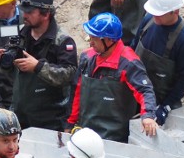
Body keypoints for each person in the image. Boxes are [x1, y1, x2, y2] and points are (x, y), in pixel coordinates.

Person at [67, 12, 158, 143]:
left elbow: (145, 91)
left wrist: (148, 116)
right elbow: (76, 93)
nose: (90, 42)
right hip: (85, 133)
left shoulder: (129, 63)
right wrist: (69, 124)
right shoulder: (87, 57)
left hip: (115, 138)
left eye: (94, 38)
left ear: (109, 40)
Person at [0, 0, 78, 131]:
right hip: (20, 113)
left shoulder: (63, 40)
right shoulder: (18, 32)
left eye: (30, 12)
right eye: (24, 11)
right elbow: (6, 71)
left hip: (49, 119)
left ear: (46, 14)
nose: (25, 15)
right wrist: (3, 61)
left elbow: (69, 74)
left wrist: (38, 67)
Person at [130, 0, 184, 126]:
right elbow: (133, 47)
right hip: (132, 92)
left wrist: (166, 106)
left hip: (157, 100)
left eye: (159, 13)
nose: (155, 16)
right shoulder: (149, 20)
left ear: (175, 11)